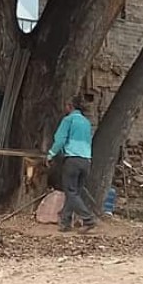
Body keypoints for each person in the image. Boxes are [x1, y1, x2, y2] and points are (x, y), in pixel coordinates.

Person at [46, 96, 96, 232]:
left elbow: (60, 139)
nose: (65, 107)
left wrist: (51, 154)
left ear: (70, 106)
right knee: (74, 193)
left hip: (72, 160)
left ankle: (88, 219)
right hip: (86, 160)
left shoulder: (68, 120)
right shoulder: (86, 122)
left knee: (70, 192)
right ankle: (65, 222)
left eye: (66, 105)